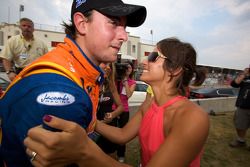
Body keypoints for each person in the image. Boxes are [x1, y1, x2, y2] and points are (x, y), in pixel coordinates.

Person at [0, 0, 147, 166]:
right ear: (82, 24)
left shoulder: (75, 66)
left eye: (125, 27)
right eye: (113, 23)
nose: (124, 36)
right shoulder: (66, 94)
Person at [24, 37, 209, 167]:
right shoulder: (149, 104)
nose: (145, 61)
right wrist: (87, 122)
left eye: (153, 57)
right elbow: (122, 135)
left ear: (175, 69)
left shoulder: (192, 118)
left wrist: (83, 151)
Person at [96, 63, 124, 157]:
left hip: (108, 128)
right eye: (104, 63)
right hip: (92, 129)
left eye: (110, 66)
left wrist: (112, 115)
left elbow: (121, 107)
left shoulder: (110, 85)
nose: (108, 67)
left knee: (109, 157)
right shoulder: (89, 82)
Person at [115, 60, 136, 162]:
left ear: (132, 70)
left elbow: (128, 95)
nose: (128, 69)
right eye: (126, 67)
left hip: (124, 110)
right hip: (113, 108)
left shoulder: (132, 82)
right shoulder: (115, 79)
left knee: (122, 133)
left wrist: (125, 82)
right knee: (111, 130)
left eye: (130, 67)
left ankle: (121, 155)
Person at [229, 67, 250, 149]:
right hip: (243, 106)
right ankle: (241, 141)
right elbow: (234, 84)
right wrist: (244, 74)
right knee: (239, 125)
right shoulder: (245, 78)